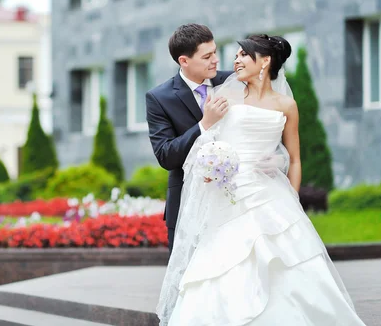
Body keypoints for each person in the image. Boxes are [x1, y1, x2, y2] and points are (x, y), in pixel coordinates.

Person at [156, 34, 367, 325]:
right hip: (227, 194)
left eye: (244, 54)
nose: (234, 59)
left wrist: (290, 196)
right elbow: (203, 144)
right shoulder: (224, 94)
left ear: (265, 61)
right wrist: (210, 167)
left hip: (269, 194)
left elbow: (293, 157)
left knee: (284, 264)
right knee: (223, 266)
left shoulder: (286, 105)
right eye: (235, 54)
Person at [145, 24, 232, 253]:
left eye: (215, 51)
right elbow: (165, 155)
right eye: (207, 56)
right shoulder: (159, 98)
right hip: (187, 202)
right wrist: (204, 124)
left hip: (234, 200)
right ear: (184, 61)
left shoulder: (233, 82)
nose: (216, 59)